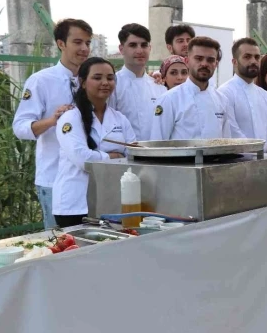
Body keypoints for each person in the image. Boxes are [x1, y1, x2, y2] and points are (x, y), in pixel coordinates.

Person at [12, 18, 93, 229]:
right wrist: (51, 121)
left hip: (88, 178)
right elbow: (20, 127)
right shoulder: (41, 81)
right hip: (54, 179)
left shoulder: (94, 80)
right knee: (59, 246)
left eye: (87, 42)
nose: (84, 48)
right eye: (77, 42)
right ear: (61, 44)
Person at [52, 58, 135, 227]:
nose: (105, 83)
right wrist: (113, 156)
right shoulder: (70, 118)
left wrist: (105, 157)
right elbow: (82, 160)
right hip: (76, 204)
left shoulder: (120, 119)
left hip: (111, 202)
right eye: (97, 78)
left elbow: (134, 154)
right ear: (82, 82)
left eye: (110, 78)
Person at [150, 37, 243, 140]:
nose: (204, 64)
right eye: (198, 58)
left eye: (210, 60)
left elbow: (226, 143)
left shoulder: (222, 100)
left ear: (216, 64)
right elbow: (157, 145)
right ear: (187, 61)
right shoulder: (168, 100)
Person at [218, 38, 267, 152]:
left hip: (266, 161)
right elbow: (232, 131)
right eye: (247, 57)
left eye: (257, 57)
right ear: (234, 62)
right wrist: (255, 154)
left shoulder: (263, 94)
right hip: (238, 161)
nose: (253, 61)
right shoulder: (224, 92)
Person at [108, 23, 166, 141]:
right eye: (133, 45)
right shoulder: (112, 85)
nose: (140, 50)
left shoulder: (159, 86)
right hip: (124, 155)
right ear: (121, 49)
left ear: (150, 48)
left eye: (144, 45)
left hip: (157, 154)